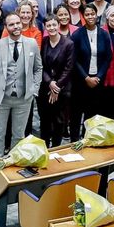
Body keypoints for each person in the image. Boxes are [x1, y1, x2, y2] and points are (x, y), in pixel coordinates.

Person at [0, 13, 42, 154]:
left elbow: (38, 68)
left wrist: (34, 89)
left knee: (19, 135)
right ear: (6, 27)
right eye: (11, 24)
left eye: (18, 23)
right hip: (1, 98)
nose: (16, 26)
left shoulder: (31, 43)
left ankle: (14, 164)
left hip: (24, 99)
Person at [69, 3, 112, 142]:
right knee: (76, 113)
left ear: (97, 15)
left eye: (92, 14)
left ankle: (87, 139)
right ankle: (74, 140)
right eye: (87, 14)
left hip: (97, 81)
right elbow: (74, 60)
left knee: (92, 112)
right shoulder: (76, 35)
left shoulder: (104, 34)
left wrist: (98, 77)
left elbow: (107, 58)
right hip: (80, 81)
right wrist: (86, 77)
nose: (90, 16)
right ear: (83, 16)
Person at [39, 16, 74, 148]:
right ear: (45, 27)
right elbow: (40, 65)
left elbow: (69, 67)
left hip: (62, 88)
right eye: (49, 26)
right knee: (45, 120)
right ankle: (44, 147)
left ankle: (56, 148)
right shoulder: (44, 42)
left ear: (59, 25)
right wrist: (49, 83)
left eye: (54, 25)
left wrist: (57, 86)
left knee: (59, 121)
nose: (52, 28)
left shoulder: (68, 44)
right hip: (45, 87)